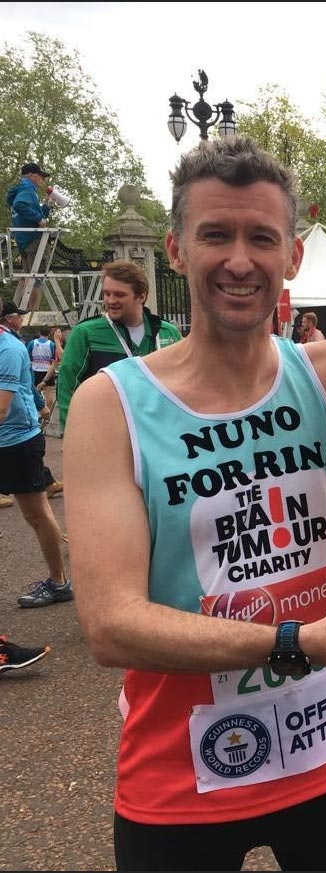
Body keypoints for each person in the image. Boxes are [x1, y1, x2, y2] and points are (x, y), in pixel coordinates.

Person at [61, 63, 326, 866]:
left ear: (293, 256)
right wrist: (297, 638)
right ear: (175, 247)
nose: (239, 259)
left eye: (262, 237)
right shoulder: (110, 403)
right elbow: (111, 622)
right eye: (217, 234)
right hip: (183, 774)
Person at [0, 300, 72, 608]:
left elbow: (1, 409)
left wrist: (39, 406)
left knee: (36, 513)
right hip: (14, 437)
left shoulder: (9, 349)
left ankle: (59, 583)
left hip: (15, 442)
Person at [57, 260, 182, 427]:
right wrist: (72, 435)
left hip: (160, 433)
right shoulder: (86, 333)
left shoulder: (168, 332)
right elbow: (68, 388)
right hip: (108, 435)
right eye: (107, 294)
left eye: (119, 295)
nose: (110, 300)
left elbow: (183, 382)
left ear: (142, 296)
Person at [7, 161, 52, 273]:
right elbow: (19, 205)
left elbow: (27, 214)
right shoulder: (28, 188)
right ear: (31, 175)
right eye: (40, 175)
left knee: (28, 279)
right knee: (37, 280)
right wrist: (39, 219)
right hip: (34, 241)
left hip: (23, 241)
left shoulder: (20, 189)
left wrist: (46, 205)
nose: (43, 179)